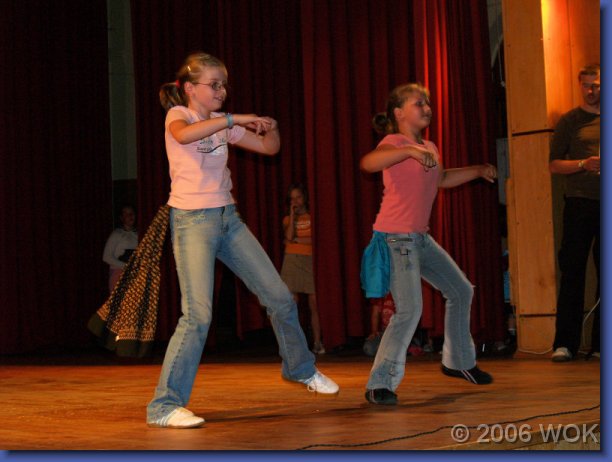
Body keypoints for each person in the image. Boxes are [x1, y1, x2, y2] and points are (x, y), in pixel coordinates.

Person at [147, 52, 339, 429]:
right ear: (190, 88)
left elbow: (268, 148)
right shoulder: (179, 115)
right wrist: (235, 119)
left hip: (228, 220)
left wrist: (272, 128)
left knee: (280, 297)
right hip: (192, 222)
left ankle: (300, 368)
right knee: (198, 314)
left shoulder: (221, 124)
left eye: (224, 84)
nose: (221, 90)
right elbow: (184, 135)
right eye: (214, 84)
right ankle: (164, 406)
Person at [360, 82, 496, 405]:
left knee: (461, 290)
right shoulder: (394, 142)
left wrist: (477, 170)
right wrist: (409, 151)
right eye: (418, 103)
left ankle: (458, 362)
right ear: (398, 113)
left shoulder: (430, 147)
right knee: (409, 310)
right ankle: (380, 383)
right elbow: (369, 163)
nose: (426, 108)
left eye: (427, 103)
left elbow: (442, 179)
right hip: (397, 237)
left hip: (419, 238)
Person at [549, 64, 600, 362]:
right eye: (587, 85)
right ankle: (565, 343)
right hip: (579, 202)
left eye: (597, 84)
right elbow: (554, 164)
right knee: (572, 271)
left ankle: (600, 344)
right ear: (580, 86)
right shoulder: (570, 120)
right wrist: (583, 164)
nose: (591, 90)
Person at [280, 184, 325, 354]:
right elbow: (289, 236)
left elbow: (314, 240)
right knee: (291, 304)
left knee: (314, 304)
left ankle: (317, 342)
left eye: (298, 197)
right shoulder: (287, 219)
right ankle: (294, 345)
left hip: (309, 261)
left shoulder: (312, 217)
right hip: (291, 260)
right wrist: (292, 215)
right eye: (292, 199)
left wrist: (296, 241)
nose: (295, 201)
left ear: (304, 198)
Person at [102, 204, 138, 294]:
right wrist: (126, 266)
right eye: (127, 214)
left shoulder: (137, 234)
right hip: (119, 274)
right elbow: (106, 257)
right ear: (122, 218)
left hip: (134, 274)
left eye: (132, 213)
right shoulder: (116, 234)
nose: (130, 216)